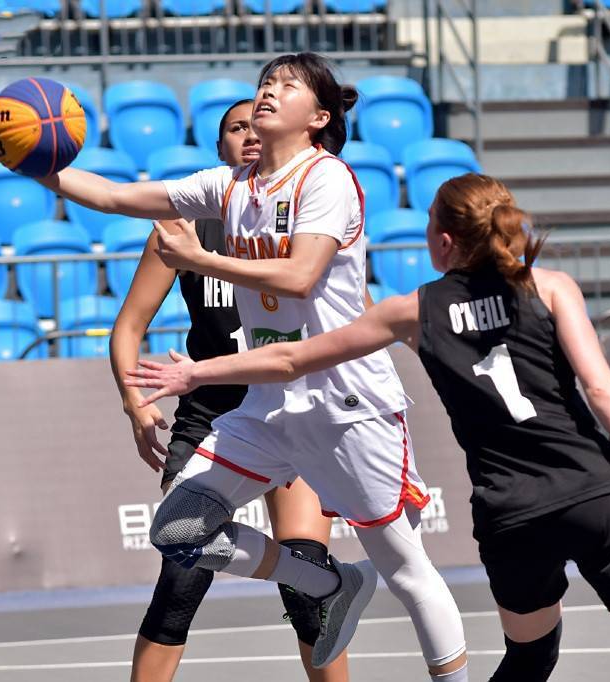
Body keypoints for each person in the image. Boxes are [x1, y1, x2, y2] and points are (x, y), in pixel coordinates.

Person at [128, 172, 610, 682]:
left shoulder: (412, 310)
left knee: (529, 658)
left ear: (441, 242)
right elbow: (602, 391)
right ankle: (331, 584)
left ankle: (332, 584)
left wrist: (198, 373)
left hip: (512, 510)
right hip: (596, 492)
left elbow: (290, 358)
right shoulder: (551, 287)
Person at [28, 52, 469, 679]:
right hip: (267, 403)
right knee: (178, 529)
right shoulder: (227, 186)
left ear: (317, 117)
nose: (268, 92)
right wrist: (37, 164)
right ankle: (327, 582)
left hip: (346, 400)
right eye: (265, 83)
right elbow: (112, 194)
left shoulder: (327, 179)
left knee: (406, 569)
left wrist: (203, 260)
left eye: (285, 86)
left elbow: (299, 276)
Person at [109, 99, 349, 682]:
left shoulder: (306, 215)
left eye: (253, 125)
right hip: (214, 412)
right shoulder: (183, 228)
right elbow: (128, 327)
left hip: (292, 408)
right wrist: (136, 404)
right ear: (218, 152)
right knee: (181, 573)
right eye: (233, 129)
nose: (246, 135)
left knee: (308, 589)